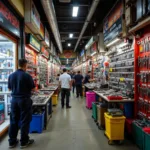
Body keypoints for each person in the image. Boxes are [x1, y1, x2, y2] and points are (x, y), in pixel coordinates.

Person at [8, 59, 35, 149]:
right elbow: (33, 89)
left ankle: (12, 141)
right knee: (24, 120)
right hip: (24, 100)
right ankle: (24, 141)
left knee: (13, 120)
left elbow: (9, 89)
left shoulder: (11, 76)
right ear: (25, 65)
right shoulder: (27, 76)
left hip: (14, 100)